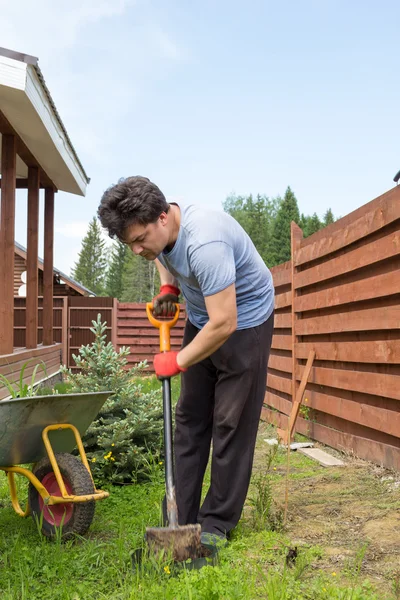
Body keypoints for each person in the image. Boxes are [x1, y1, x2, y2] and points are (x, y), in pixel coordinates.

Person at [98, 176, 274, 550]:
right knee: (190, 418)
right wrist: (169, 288)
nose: (136, 250)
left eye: (140, 240)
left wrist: (177, 360)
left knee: (230, 422)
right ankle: (181, 515)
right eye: (129, 243)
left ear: (163, 218)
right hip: (202, 317)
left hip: (245, 320)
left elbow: (225, 322)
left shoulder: (206, 241)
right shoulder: (161, 233)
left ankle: (216, 523)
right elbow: (165, 255)